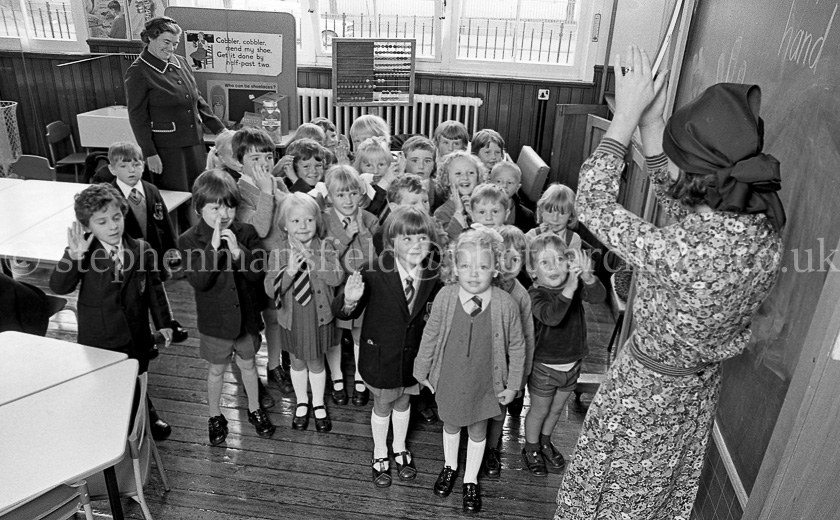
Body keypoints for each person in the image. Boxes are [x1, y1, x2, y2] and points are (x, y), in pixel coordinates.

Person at [555, 46, 784, 519]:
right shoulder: (758, 227)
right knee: (656, 495)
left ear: (699, 174)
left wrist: (624, 118)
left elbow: (593, 202)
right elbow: (684, 203)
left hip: (646, 397)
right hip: (694, 392)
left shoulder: (684, 252)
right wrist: (653, 126)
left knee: (613, 499)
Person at [414, 226, 526, 515]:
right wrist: (422, 369)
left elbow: (517, 347)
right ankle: (450, 466)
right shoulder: (445, 297)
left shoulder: (506, 305)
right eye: (466, 266)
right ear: (454, 268)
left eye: (482, 266)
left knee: (478, 429)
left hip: (485, 381)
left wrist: (513, 385)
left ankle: (470, 479)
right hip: (450, 377)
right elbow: (431, 335)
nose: (474, 273)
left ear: (495, 268)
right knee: (450, 424)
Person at [49, 183, 174, 441]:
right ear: (88, 227)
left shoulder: (140, 249)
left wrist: (164, 322)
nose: (113, 226)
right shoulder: (82, 252)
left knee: (138, 376)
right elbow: (59, 286)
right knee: (106, 382)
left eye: (117, 218)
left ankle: (145, 412)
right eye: (102, 222)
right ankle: (112, 420)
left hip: (137, 333)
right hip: (100, 335)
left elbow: (154, 288)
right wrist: (74, 257)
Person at [335, 206, 443, 488]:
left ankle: (400, 446)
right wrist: (349, 299)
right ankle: (380, 450)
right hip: (381, 356)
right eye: (407, 239)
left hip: (413, 357)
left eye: (422, 238)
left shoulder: (433, 274)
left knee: (405, 401)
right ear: (392, 242)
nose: (416, 245)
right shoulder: (373, 269)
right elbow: (343, 311)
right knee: (383, 403)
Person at [178, 170, 275, 446]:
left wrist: (238, 253)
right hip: (215, 324)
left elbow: (257, 273)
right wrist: (212, 249)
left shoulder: (247, 233)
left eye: (229, 206)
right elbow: (199, 281)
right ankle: (215, 415)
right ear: (199, 209)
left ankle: (255, 408)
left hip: (246, 319)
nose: (223, 213)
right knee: (216, 371)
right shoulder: (189, 240)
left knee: (249, 365)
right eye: (215, 207)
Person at [523, 233, 605, 477]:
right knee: (539, 410)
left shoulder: (575, 286)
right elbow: (552, 316)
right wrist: (570, 287)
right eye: (545, 262)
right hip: (545, 367)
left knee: (557, 410)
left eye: (559, 259)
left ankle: (545, 441)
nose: (554, 266)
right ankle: (531, 447)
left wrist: (588, 277)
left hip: (572, 364)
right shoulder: (535, 295)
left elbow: (598, 298)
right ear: (532, 271)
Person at [264, 193, 344, 432]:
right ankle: (302, 401)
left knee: (316, 361)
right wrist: (288, 272)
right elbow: (270, 288)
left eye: (308, 220)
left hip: (318, 315)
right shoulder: (279, 252)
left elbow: (337, 277)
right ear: (285, 225)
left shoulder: (325, 246)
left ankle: (318, 403)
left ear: (317, 222)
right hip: (292, 317)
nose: (302, 226)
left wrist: (314, 260)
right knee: (297, 362)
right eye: (296, 221)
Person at [125, 17, 225, 195]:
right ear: (150, 38)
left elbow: (197, 98)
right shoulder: (139, 71)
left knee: (199, 192)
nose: (170, 48)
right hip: (168, 150)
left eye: (175, 43)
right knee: (176, 196)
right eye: (166, 42)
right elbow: (137, 117)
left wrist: (220, 129)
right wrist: (150, 153)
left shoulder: (181, 62)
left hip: (194, 142)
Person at [231, 127, 291, 407]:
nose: (264, 163)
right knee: (252, 328)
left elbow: (291, 220)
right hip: (255, 271)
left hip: (282, 264)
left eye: (267, 156)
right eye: (254, 158)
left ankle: (275, 364)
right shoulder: (238, 192)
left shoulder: (276, 183)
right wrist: (268, 194)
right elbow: (256, 228)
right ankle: (249, 376)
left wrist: (283, 197)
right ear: (238, 161)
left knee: (276, 319)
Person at [107, 141, 188, 345]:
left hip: (154, 253)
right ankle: (145, 334)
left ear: (143, 165)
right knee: (134, 297)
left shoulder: (151, 190)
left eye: (135, 165)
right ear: (112, 169)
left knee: (157, 289)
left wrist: (172, 250)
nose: (131, 170)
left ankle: (167, 322)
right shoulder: (109, 195)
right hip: (128, 258)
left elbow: (165, 223)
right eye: (123, 166)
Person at [321, 164, 378, 408]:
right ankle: (336, 378)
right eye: (340, 194)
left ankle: (359, 379)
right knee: (334, 335)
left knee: (359, 335)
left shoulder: (370, 219)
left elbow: (374, 262)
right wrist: (345, 237)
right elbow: (324, 257)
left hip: (361, 287)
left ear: (361, 193)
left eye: (353, 193)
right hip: (333, 287)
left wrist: (363, 233)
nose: (348, 199)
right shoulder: (322, 220)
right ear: (330, 196)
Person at [482, 225, 535, 476]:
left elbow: (526, 339)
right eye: (505, 256)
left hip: (504, 369)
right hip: (480, 363)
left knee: (498, 412)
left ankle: (492, 448)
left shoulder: (521, 295)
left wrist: (521, 377)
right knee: (478, 407)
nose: (510, 263)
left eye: (517, 258)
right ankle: (475, 445)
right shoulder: (482, 285)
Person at [433, 151, 484, 237]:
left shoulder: (483, 206)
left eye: (471, 173)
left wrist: (473, 216)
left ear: (478, 178)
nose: (465, 177)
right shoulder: (441, 213)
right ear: (447, 179)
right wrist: (459, 211)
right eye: (458, 173)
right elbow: (449, 240)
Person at [526, 183, 581, 251]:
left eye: (562, 213)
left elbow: (570, 260)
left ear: (571, 215)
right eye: (550, 212)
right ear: (541, 211)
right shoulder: (531, 235)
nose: (555, 219)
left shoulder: (573, 239)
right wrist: (540, 239)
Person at [402, 136, 447, 213]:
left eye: (427, 161)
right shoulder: (396, 186)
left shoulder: (441, 189)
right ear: (404, 162)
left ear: (434, 164)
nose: (421, 166)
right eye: (414, 161)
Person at [489, 161, 536, 232]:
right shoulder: (481, 207)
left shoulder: (527, 215)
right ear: (490, 183)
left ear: (518, 187)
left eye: (510, 182)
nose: (504, 186)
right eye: (499, 181)